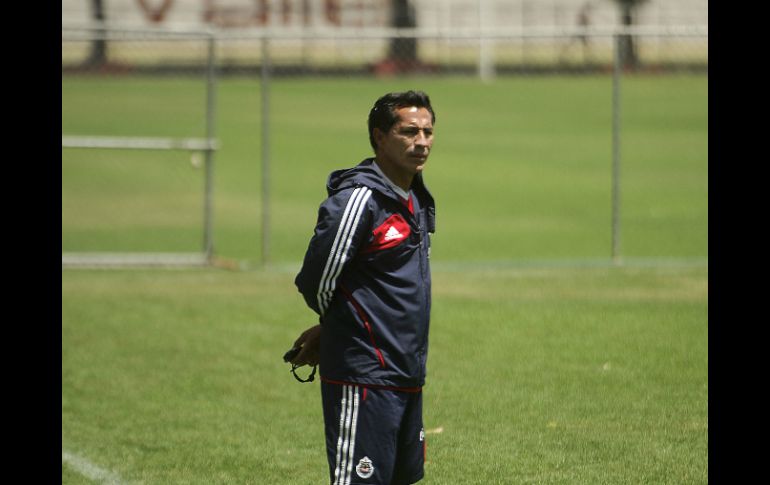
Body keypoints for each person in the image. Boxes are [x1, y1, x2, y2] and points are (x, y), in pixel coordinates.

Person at [289, 90, 436, 485]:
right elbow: (316, 279)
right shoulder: (359, 200)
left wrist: (334, 326)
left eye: (427, 132)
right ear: (379, 137)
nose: (421, 142)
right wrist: (339, 327)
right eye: (409, 132)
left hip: (407, 371)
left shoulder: (414, 198)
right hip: (365, 376)